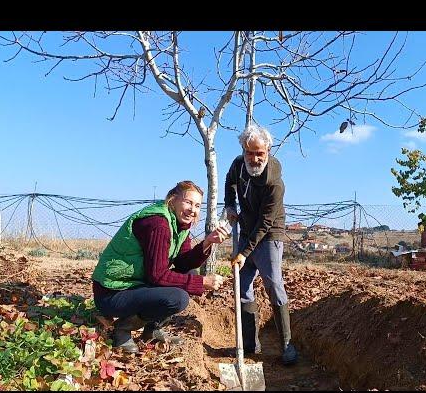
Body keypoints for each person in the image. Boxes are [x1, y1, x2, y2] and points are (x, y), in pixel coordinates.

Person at [92, 181, 229, 353]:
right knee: (177, 298)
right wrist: (201, 282)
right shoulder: (158, 224)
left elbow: (182, 263)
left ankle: (152, 329)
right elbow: (157, 275)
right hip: (111, 293)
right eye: (187, 202)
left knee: (189, 273)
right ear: (173, 200)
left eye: (197, 205)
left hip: (134, 285)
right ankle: (122, 329)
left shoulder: (179, 225)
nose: (192, 210)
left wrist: (207, 243)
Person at [224, 123, 298, 365]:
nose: (254, 158)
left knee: (274, 285)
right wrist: (229, 205)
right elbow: (229, 180)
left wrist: (244, 252)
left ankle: (287, 344)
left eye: (260, 153)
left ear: (268, 151)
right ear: (243, 150)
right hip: (246, 229)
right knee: (242, 286)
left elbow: (266, 222)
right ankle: (248, 345)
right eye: (250, 153)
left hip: (269, 235)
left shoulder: (275, 183)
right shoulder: (238, 165)